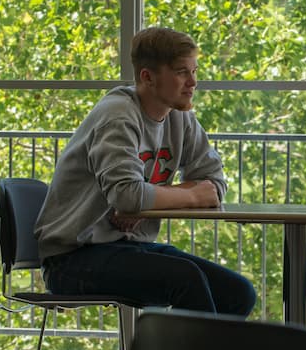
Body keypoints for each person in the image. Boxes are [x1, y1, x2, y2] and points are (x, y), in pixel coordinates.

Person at [34, 27, 256, 316]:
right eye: (181, 73)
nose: (193, 83)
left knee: (238, 293)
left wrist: (148, 201)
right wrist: (184, 195)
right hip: (71, 257)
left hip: (127, 248)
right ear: (147, 77)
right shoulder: (117, 116)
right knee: (185, 279)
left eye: (194, 71)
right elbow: (128, 196)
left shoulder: (180, 116)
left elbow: (213, 185)